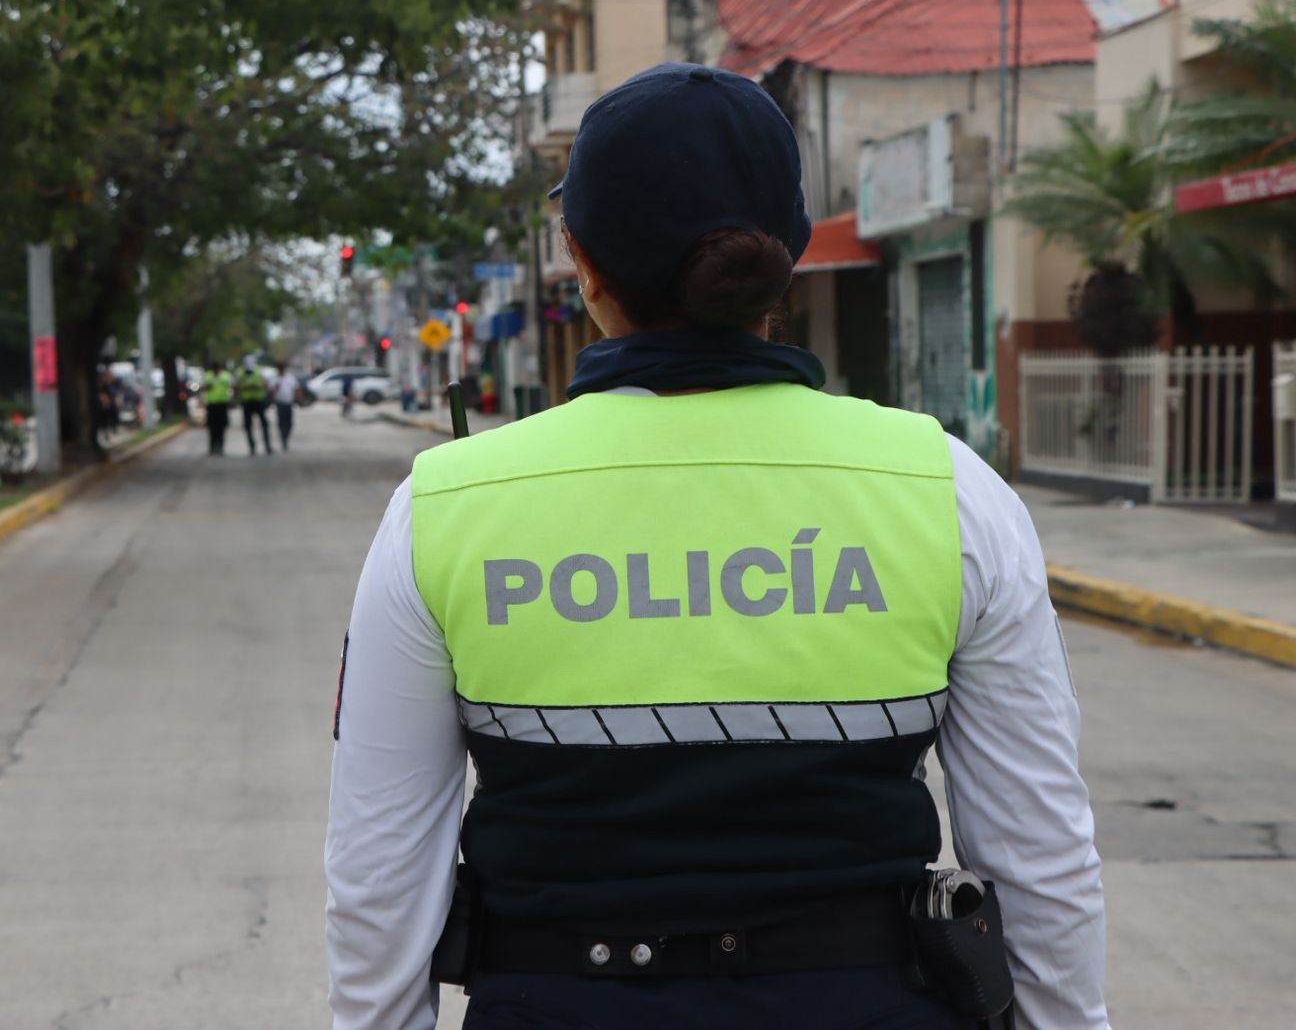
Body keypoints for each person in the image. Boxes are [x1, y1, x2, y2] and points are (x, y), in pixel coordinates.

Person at [326, 63, 1107, 1030]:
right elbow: (1040, 855)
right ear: (789, 251)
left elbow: (379, 875)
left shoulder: (445, 506)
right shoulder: (946, 490)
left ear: (581, 261)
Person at [237, 354, 272, 455]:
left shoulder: (259, 371)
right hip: (247, 402)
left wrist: (261, 388)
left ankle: (267, 446)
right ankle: (252, 447)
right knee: (248, 426)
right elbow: (236, 386)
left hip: (259, 401)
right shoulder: (240, 373)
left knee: (264, 424)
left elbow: (266, 384)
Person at [202, 362, 234, 455]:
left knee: (221, 426)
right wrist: (206, 387)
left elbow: (231, 386)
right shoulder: (208, 375)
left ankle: (220, 446)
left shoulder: (225, 376)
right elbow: (203, 387)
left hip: (222, 404)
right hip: (211, 404)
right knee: (212, 427)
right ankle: (212, 447)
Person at [271, 362, 301, 452]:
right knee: (281, 422)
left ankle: (286, 436)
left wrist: (299, 399)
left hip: (289, 403)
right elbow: (271, 390)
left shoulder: (290, 378)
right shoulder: (275, 379)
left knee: (289, 422)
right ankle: (283, 438)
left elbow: (296, 389)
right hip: (280, 403)